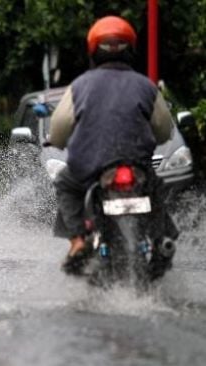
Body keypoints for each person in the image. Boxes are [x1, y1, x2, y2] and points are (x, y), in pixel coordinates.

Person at [48, 15, 177, 275]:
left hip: (90, 169)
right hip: (137, 166)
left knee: (65, 183)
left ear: (93, 50)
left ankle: (77, 241)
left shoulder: (80, 86)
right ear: (131, 48)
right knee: (156, 189)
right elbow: (164, 132)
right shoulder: (146, 86)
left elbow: (59, 130)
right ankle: (162, 239)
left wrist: (60, 141)